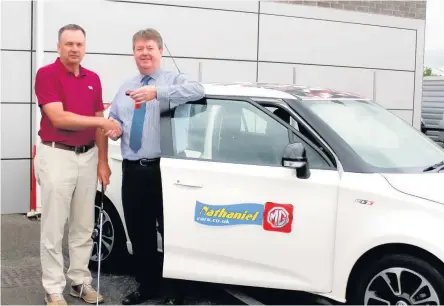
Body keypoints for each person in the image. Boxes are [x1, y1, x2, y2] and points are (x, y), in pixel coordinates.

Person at [106, 28, 205, 305]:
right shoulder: (125, 86)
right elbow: (115, 118)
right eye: (139, 48)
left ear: (160, 51)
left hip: (164, 171)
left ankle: (176, 291)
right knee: (140, 232)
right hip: (133, 169)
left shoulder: (173, 80)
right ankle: (147, 285)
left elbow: (199, 91)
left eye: (150, 47)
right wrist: (114, 128)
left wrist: (156, 92)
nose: (145, 53)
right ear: (134, 53)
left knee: (170, 230)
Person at [34, 24, 121, 305]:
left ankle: (80, 282)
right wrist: (101, 120)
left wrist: (103, 162)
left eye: (79, 45)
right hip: (57, 154)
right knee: (54, 226)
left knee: (84, 225)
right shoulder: (46, 75)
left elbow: (100, 128)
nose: (74, 49)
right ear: (59, 47)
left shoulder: (92, 78)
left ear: (85, 47)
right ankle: (53, 288)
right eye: (69, 44)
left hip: (88, 156)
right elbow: (59, 118)